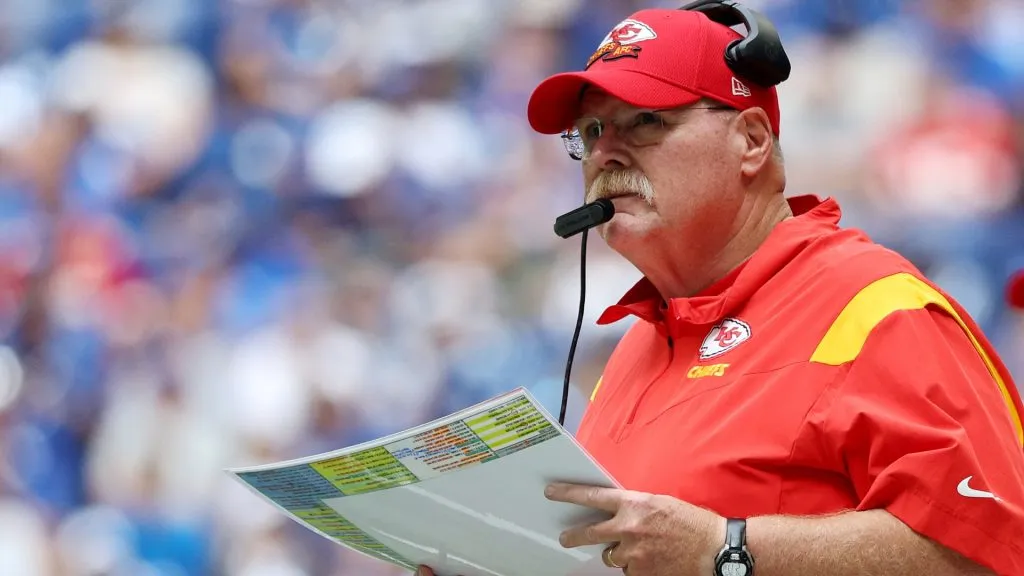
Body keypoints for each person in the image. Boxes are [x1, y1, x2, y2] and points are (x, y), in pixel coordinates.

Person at [419, 5, 1024, 576]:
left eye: (646, 121)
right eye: (591, 129)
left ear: (753, 141)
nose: (604, 151)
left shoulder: (875, 307)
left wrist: (726, 547)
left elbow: (999, 545)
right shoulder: (633, 351)